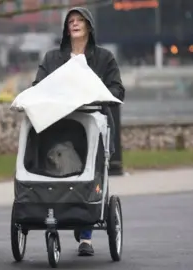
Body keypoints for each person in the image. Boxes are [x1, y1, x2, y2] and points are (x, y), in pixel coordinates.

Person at [31, 7, 125, 257]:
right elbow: (38, 86)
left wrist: (95, 93)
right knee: (58, 176)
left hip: (93, 128)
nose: (74, 24)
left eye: (79, 20)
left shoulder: (104, 58)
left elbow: (117, 90)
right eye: (70, 21)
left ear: (89, 26)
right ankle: (59, 218)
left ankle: (86, 236)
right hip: (59, 128)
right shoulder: (52, 58)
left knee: (89, 178)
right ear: (65, 28)